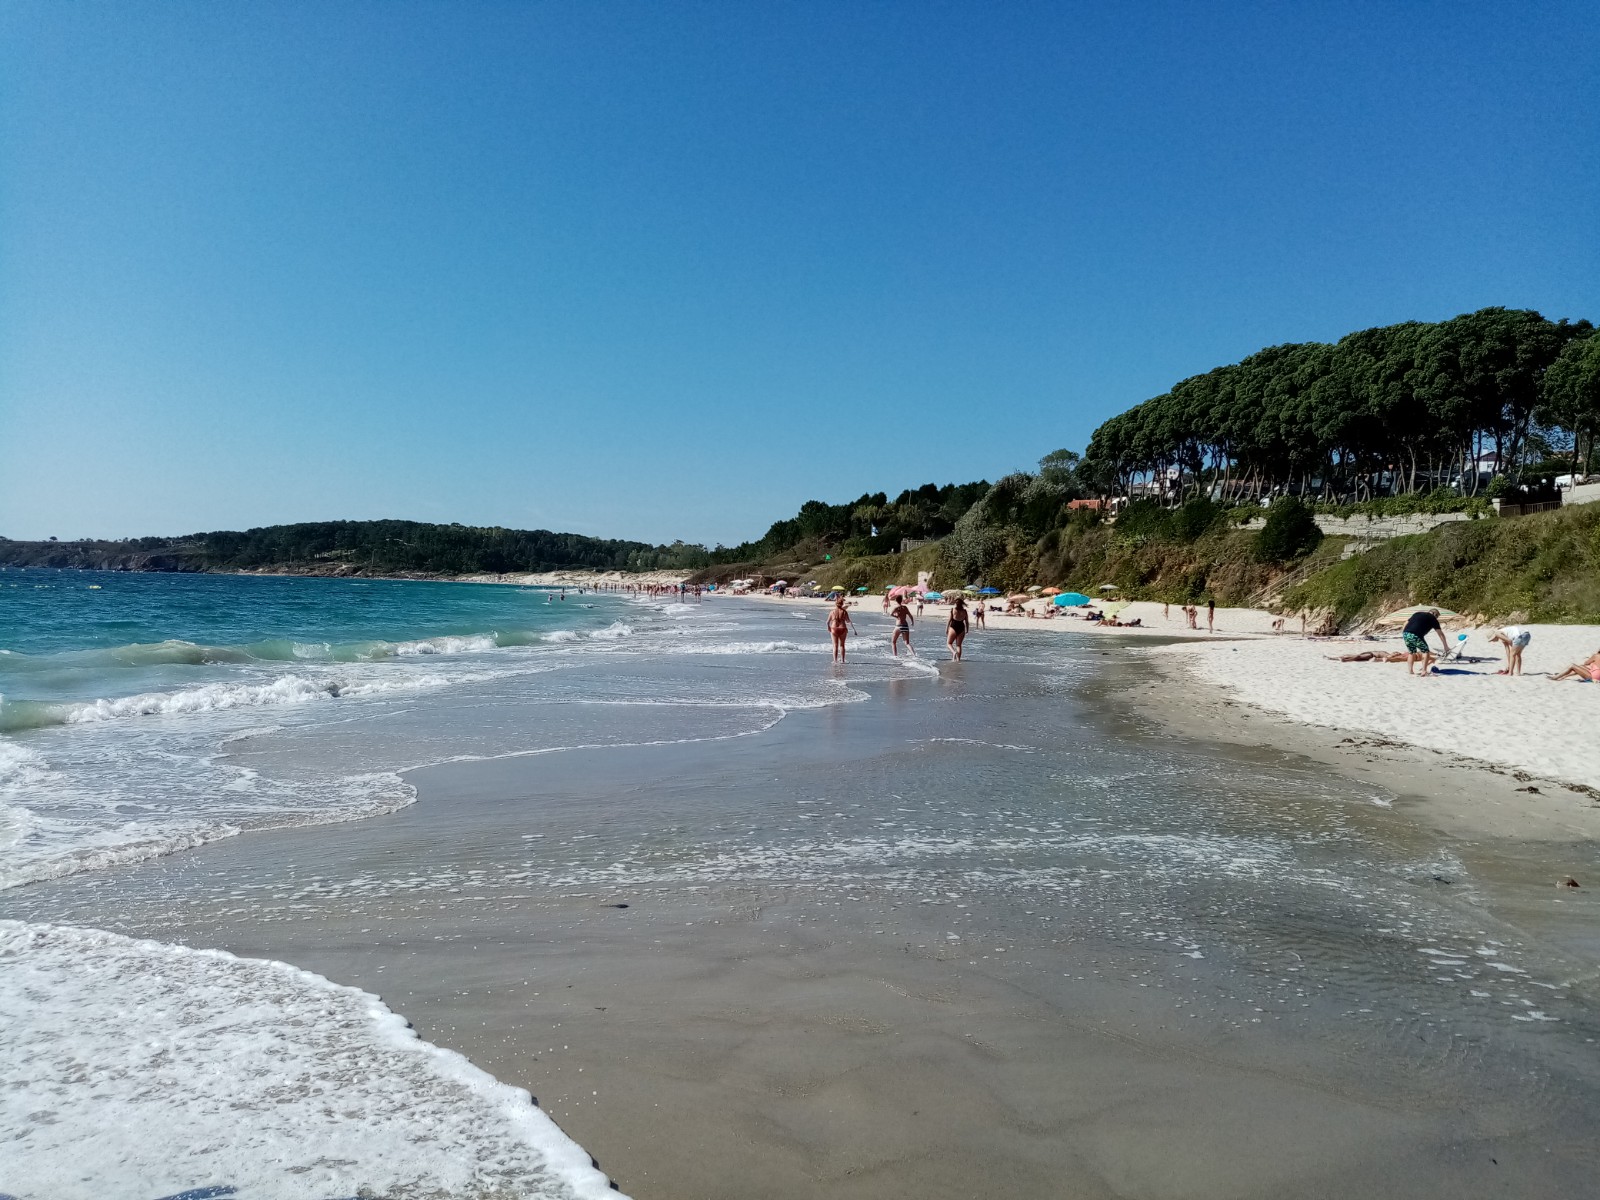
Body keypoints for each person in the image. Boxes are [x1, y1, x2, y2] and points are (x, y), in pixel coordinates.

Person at [1400, 607, 1450, 678]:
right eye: (1437, 616)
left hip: (1406, 634)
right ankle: (1424, 671)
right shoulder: (1433, 618)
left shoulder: (1417, 613)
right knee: (1425, 651)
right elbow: (1440, 633)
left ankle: (1410, 671)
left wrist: (1404, 633)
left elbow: (1406, 623)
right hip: (1416, 635)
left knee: (1411, 652)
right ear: (1434, 613)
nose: (1436, 618)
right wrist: (1445, 646)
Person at [826, 597, 857, 663]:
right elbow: (849, 621)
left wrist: (828, 627)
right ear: (842, 604)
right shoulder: (844, 612)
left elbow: (827, 622)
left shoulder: (832, 612)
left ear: (835, 604)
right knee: (842, 645)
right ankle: (842, 660)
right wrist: (854, 630)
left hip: (834, 629)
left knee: (835, 645)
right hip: (843, 628)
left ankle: (835, 660)